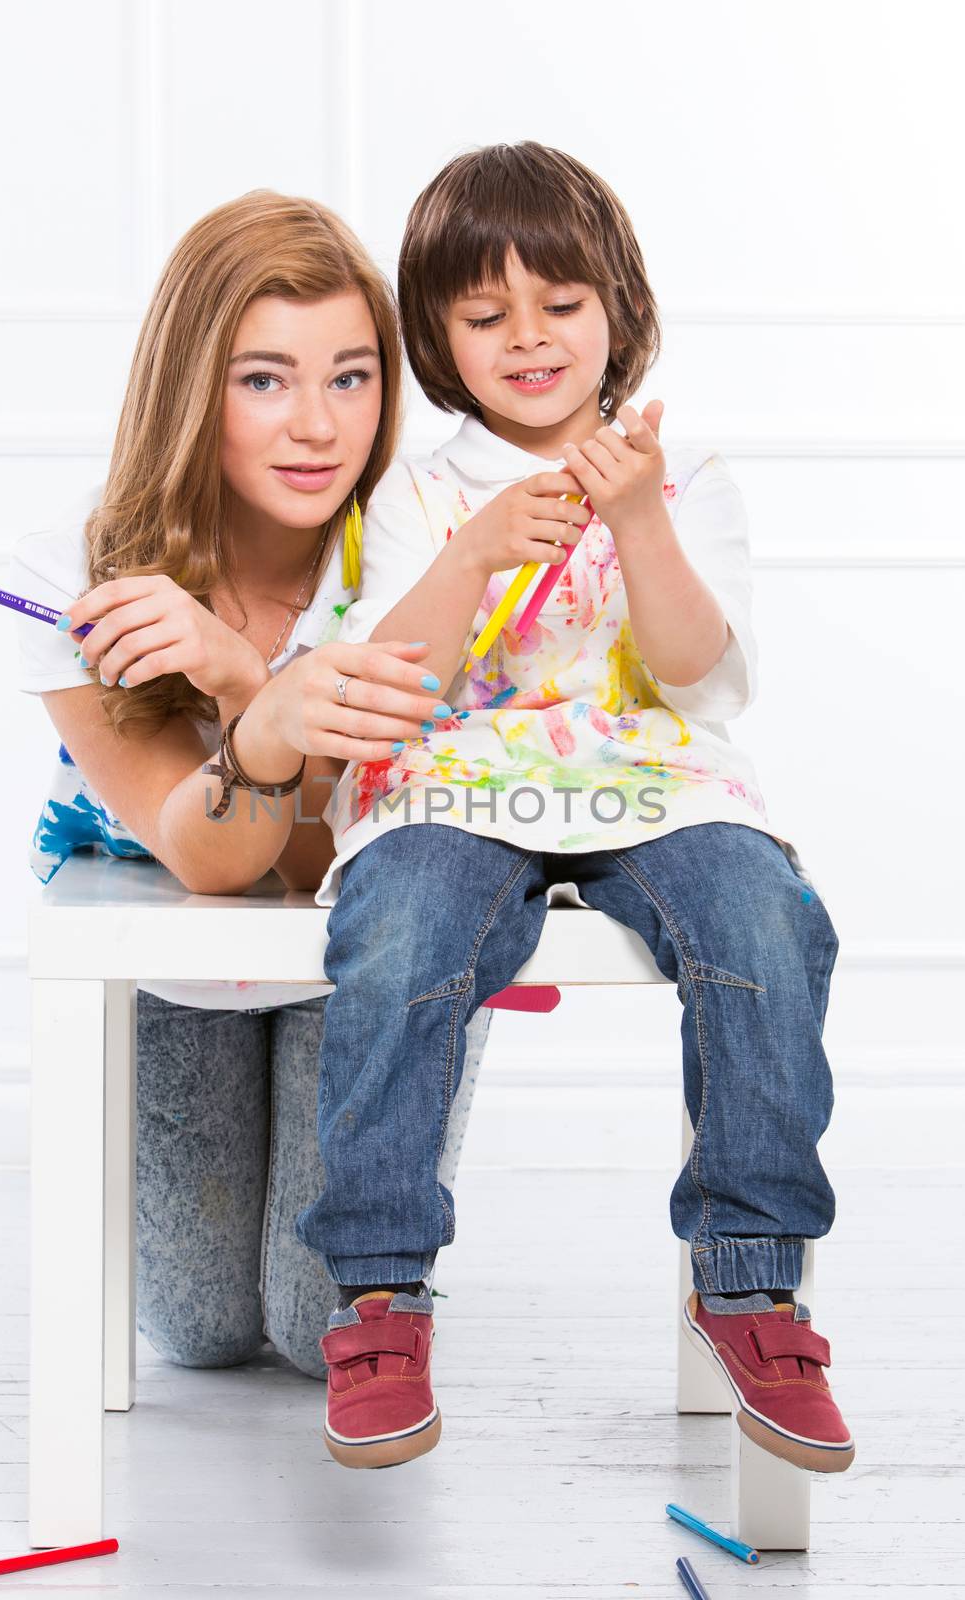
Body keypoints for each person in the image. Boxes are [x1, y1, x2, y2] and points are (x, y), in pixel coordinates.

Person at [295, 142, 855, 1474]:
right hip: (455, 776)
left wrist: (639, 520)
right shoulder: (414, 484)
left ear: (619, 308)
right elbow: (390, 685)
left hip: (654, 775)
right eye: (484, 318)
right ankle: (378, 1292)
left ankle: (749, 1283)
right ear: (437, 338)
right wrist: (477, 550)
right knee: (398, 931)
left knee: (765, 923)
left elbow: (694, 680)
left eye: (559, 305)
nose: (527, 339)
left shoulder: (684, 472)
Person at [9, 188, 494, 1381]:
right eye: (264, 379)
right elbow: (214, 864)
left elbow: (329, 864)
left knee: (306, 1320)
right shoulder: (78, 570)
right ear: (193, 389)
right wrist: (259, 703)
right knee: (201, 1331)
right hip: (184, 956)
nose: (317, 425)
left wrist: (239, 677)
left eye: (352, 376)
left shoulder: (424, 546)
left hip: (373, 951)